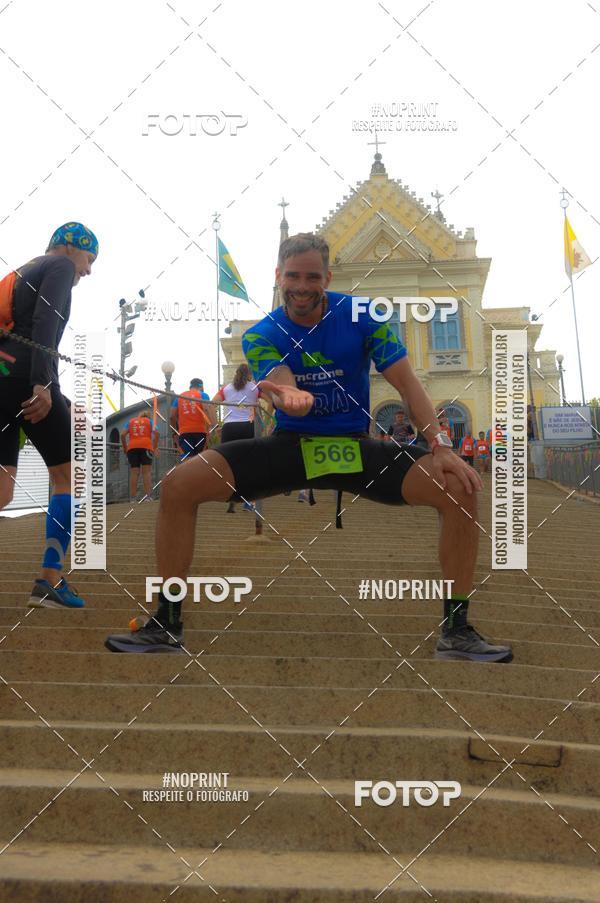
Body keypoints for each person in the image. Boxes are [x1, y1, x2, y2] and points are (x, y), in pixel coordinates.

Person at [105, 232, 512, 664]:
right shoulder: (263, 332)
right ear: (279, 276)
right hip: (290, 446)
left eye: (312, 277)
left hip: (355, 448)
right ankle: (166, 623)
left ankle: (456, 631)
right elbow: (277, 374)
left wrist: (441, 445)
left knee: (460, 487)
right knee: (178, 486)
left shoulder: (361, 314)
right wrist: (287, 393)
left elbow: (407, 383)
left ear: (328, 277)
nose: (302, 286)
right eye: (293, 276)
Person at [0, 222, 98, 608]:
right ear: (71, 248)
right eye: (89, 259)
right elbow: (46, 322)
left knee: (2, 491)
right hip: (27, 378)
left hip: (2, 375)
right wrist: (43, 383)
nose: (88, 271)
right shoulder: (58, 266)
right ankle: (50, 579)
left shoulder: (21, 271)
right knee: (71, 477)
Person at [211, 364, 261, 513]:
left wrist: (215, 426)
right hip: (248, 425)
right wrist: (265, 421)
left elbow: (211, 404)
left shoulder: (226, 389)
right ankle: (248, 501)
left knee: (229, 465)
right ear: (250, 374)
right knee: (250, 465)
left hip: (229, 427)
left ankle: (231, 498)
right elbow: (271, 401)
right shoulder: (255, 387)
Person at [170, 378, 214, 460]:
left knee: (187, 460)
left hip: (184, 432)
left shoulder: (179, 397)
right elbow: (207, 410)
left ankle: (188, 472)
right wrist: (210, 428)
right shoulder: (203, 395)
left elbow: (172, 416)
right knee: (201, 459)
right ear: (201, 386)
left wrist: (175, 431)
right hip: (200, 431)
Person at [121, 410, 159, 501]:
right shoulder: (149, 422)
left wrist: (125, 448)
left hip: (132, 448)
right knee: (146, 472)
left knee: (134, 473)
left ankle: (132, 499)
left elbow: (122, 434)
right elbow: (157, 433)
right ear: (148, 417)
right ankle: (148, 497)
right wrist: (154, 447)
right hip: (146, 447)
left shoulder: (130, 422)